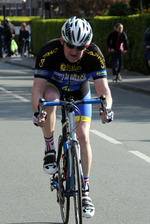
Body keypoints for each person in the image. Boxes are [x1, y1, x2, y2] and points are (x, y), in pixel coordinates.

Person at [32, 16, 114, 218]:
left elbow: (104, 91)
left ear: (87, 46)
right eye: (70, 46)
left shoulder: (94, 54)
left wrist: (106, 109)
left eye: (81, 47)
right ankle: (50, 148)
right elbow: (37, 90)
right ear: (62, 41)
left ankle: (85, 191)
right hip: (54, 88)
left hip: (80, 92)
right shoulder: (49, 52)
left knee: (84, 136)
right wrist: (38, 113)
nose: (75, 51)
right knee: (50, 97)